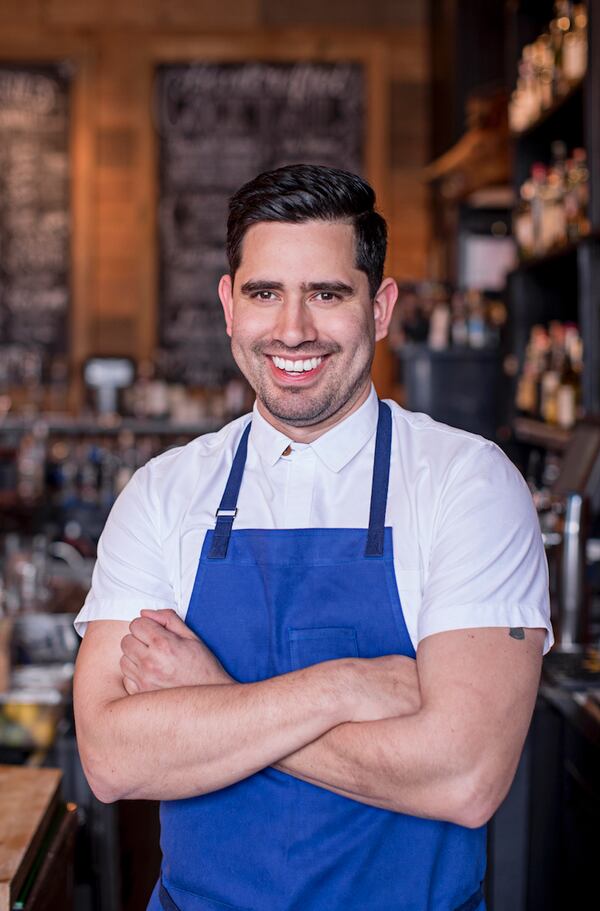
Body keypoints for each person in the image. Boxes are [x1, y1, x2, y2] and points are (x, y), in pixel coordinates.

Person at [74, 164, 552, 911]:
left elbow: (463, 778)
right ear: (230, 306)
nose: (293, 330)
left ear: (381, 307)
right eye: (265, 293)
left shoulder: (468, 484)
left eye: (327, 294)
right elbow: (110, 757)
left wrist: (212, 702)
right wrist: (346, 685)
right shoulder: (164, 493)